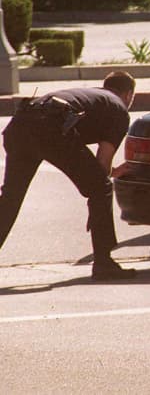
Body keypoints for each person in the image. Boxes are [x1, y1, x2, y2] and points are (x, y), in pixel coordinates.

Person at [0, 71, 138, 280]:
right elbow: (101, 167)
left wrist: (111, 174)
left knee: (11, 198)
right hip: (50, 129)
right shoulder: (118, 110)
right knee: (101, 188)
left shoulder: (92, 96)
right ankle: (103, 263)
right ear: (128, 95)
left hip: (20, 124)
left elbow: (97, 169)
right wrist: (99, 201)